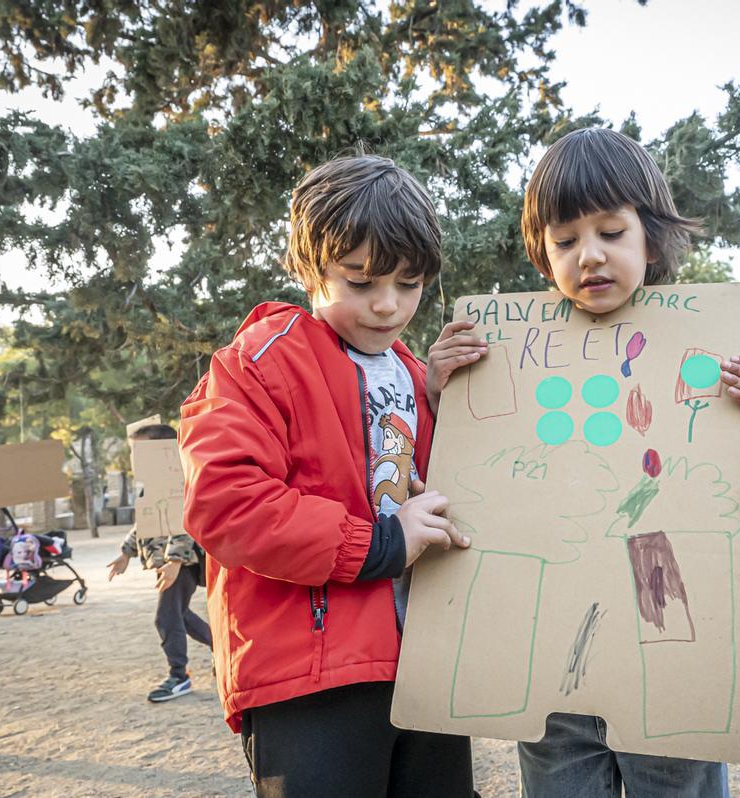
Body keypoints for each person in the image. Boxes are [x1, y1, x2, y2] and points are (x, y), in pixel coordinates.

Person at [430, 127, 740, 798]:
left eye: (611, 231)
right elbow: (468, 481)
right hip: (552, 633)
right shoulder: (507, 351)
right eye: (566, 240)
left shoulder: (711, 344)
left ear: (652, 238)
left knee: (677, 779)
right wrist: (444, 394)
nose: (590, 256)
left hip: (664, 623)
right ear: (541, 252)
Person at [179, 155, 474, 797]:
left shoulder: (413, 373)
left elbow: (446, 497)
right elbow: (226, 502)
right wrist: (381, 543)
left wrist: (454, 406)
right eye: (361, 281)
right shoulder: (256, 363)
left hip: (424, 657)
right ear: (310, 267)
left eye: (410, 283)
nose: (388, 306)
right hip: (311, 676)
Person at [107, 423, 213, 703]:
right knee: (180, 614)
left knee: (166, 617)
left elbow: (184, 523)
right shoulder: (152, 487)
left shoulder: (179, 482)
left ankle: (179, 676)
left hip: (184, 561)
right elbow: (145, 521)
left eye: (140, 452)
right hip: (167, 563)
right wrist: (125, 553)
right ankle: (221, 645)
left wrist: (175, 561)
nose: (134, 459)